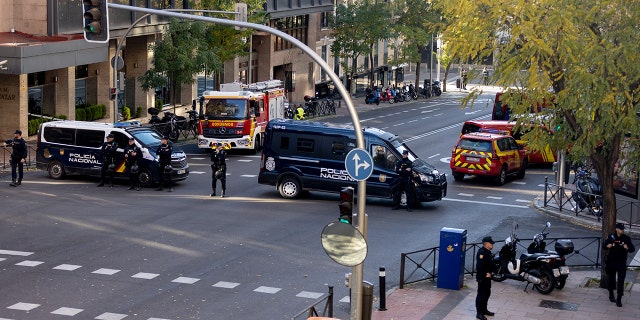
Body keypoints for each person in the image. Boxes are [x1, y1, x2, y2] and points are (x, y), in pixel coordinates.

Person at [603, 223, 635, 307]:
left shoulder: (626, 238)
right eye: (621, 229)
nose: (622, 230)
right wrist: (608, 245)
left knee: (621, 280)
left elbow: (632, 249)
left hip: (621, 262)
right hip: (612, 261)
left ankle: (619, 298)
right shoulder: (611, 237)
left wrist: (627, 247)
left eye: (623, 229)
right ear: (617, 229)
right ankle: (611, 294)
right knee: (611, 279)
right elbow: (604, 246)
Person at [476, 236, 496, 320]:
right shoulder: (482, 253)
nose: (492, 245)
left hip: (488, 277)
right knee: (481, 295)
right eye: (491, 243)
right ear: (487, 244)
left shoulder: (488, 252)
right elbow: (480, 266)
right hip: (483, 277)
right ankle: (479, 313)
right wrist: (485, 274)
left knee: (487, 293)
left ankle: (484, 310)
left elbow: (490, 264)